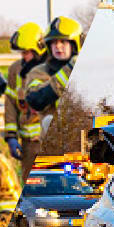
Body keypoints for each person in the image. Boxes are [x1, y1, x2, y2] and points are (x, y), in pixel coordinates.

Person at [11, 15, 81, 176]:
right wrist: (69, 69)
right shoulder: (38, 72)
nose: (58, 46)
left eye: (63, 42)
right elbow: (37, 99)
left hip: (79, 145)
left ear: (74, 43)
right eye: (54, 42)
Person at [2, 21, 44, 164]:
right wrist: (11, 136)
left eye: (26, 52)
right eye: (22, 52)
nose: (23, 56)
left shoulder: (55, 70)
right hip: (28, 146)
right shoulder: (15, 70)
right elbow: (10, 104)